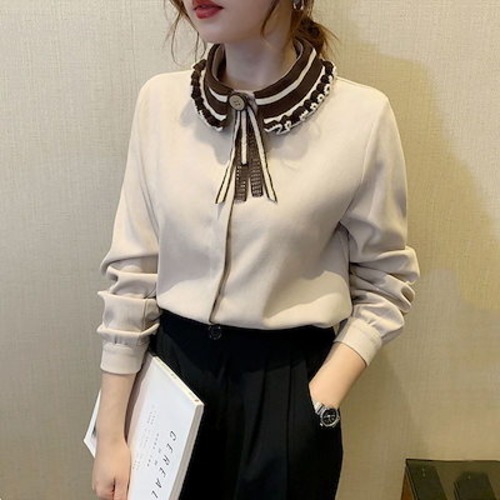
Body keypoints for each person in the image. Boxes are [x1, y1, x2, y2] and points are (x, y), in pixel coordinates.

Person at [91, 0, 419, 499]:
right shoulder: (159, 103)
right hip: (171, 377)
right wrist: (112, 432)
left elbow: (386, 282)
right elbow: (134, 270)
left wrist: (318, 400)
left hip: (286, 393)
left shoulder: (362, 118)